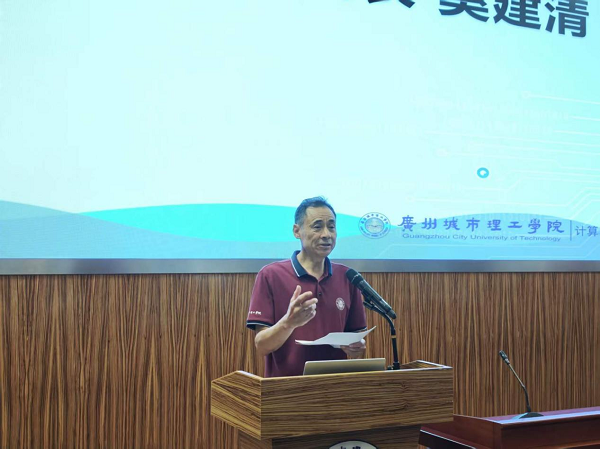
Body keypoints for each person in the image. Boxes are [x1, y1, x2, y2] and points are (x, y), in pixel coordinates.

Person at [246, 197, 367, 377]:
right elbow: (261, 346)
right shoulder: (271, 275)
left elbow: (357, 345)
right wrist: (289, 323)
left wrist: (357, 348)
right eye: (317, 227)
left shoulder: (348, 277)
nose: (326, 234)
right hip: (286, 388)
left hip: (334, 386)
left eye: (331, 227)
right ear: (297, 231)